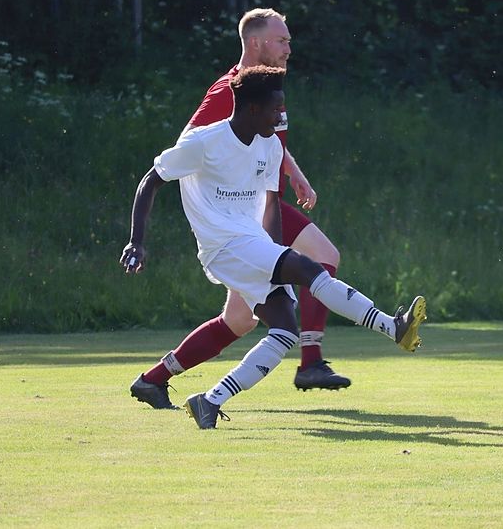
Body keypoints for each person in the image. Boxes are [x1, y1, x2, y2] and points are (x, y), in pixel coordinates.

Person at [119, 65, 427, 429]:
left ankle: (209, 401)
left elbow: (269, 207)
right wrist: (136, 242)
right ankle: (392, 327)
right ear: (252, 108)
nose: (281, 117)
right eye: (275, 108)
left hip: (253, 245)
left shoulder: (269, 146)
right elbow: (150, 181)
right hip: (223, 248)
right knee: (310, 268)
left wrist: (277, 253)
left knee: (284, 331)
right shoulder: (204, 142)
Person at [128, 9, 350, 410]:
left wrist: (294, 173)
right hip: (245, 212)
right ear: (256, 43)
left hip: (260, 205)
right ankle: (310, 361)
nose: (289, 49)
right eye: (281, 41)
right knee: (323, 255)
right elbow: (187, 148)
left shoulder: (265, 87)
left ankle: (153, 380)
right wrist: (213, 208)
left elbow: (268, 139)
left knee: (240, 320)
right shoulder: (228, 91)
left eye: (288, 41)